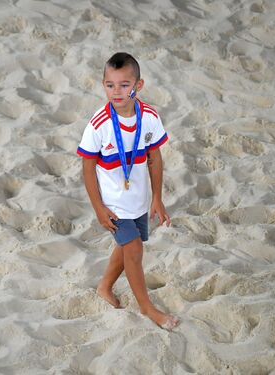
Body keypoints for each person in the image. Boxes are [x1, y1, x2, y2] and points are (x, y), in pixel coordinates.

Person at [77, 52, 180, 330]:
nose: (116, 91)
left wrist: (157, 198)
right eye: (110, 85)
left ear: (139, 85)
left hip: (139, 198)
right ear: (103, 84)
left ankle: (105, 287)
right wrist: (99, 208)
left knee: (126, 249)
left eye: (124, 85)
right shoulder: (98, 124)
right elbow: (87, 168)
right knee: (133, 249)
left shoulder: (148, 116)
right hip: (113, 203)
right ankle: (148, 308)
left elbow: (155, 158)